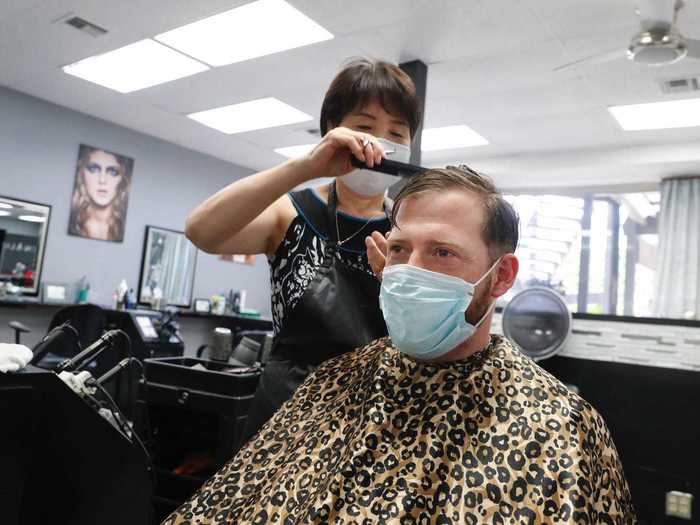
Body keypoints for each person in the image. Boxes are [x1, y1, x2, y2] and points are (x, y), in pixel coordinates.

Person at [164, 166, 636, 524]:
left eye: (443, 253)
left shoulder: (560, 429)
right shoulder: (334, 381)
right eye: (399, 249)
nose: (410, 271)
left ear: (501, 278)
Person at [185, 58, 421, 440]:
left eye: (397, 132)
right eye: (364, 128)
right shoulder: (289, 213)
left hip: (371, 423)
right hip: (284, 420)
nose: (380, 145)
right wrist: (306, 167)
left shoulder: (408, 234)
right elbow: (201, 231)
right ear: (332, 131)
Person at [68, 145, 133, 242]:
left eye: (113, 172)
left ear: (122, 179)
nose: (102, 180)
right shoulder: (74, 224)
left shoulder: (124, 228)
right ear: (82, 174)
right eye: (93, 169)